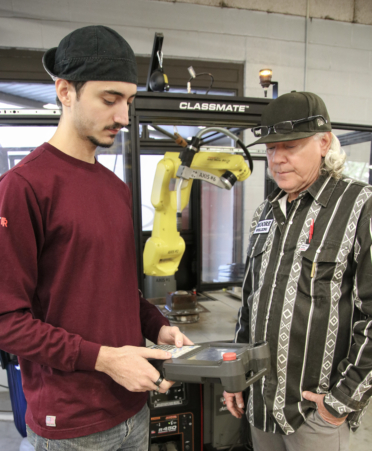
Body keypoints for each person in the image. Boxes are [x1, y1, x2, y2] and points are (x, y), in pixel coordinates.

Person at [0, 25, 192, 451]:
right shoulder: (24, 187)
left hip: (133, 410)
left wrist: (158, 328)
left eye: (129, 101)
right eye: (110, 100)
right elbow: (6, 322)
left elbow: (121, 291)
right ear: (65, 91)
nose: (124, 116)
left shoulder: (115, 188)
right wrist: (106, 359)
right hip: (70, 425)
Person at [224, 91, 372, 451]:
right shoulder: (265, 213)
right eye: (271, 149)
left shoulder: (360, 206)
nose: (278, 159)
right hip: (259, 406)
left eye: (290, 146)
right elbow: (249, 305)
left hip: (314, 414)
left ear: (323, 143)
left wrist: (340, 402)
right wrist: (236, 376)